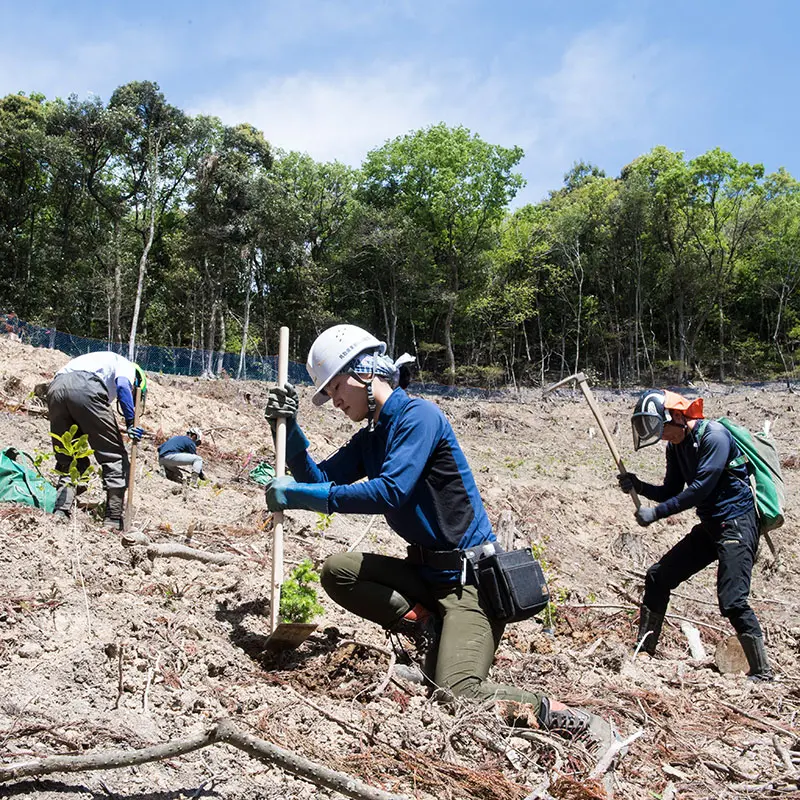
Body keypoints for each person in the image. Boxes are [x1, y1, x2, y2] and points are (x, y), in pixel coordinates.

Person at [264, 323, 615, 741]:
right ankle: (429, 632)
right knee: (339, 572)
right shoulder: (371, 437)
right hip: (428, 578)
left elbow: (390, 492)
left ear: (363, 373)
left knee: (458, 693)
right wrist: (289, 430)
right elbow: (319, 475)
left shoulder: (419, 418)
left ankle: (561, 715)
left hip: (470, 586)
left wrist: (299, 496)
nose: (335, 401)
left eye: (336, 388)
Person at [619, 389, 772, 681]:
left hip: (737, 523)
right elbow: (671, 490)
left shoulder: (713, 436)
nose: (661, 436)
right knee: (657, 577)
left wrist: (656, 513)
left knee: (732, 601)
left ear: (677, 416)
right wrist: (639, 486)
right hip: (712, 526)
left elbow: (699, 489)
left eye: (660, 428)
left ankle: (763, 673)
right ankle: (645, 650)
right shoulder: (676, 446)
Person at [46, 351, 146, 530]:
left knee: (69, 454)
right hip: (87, 388)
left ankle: (60, 511)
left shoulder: (96, 361)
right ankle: (113, 520)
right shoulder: (128, 366)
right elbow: (123, 386)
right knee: (114, 456)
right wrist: (131, 422)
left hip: (56, 389)